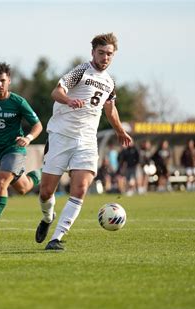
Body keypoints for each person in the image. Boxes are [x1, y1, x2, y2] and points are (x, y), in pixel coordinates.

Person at [34, 33, 132, 250]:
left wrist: (120, 131)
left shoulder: (109, 82)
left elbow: (110, 108)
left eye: (109, 54)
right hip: (61, 136)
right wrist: (69, 100)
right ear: (93, 52)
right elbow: (56, 91)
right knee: (46, 192)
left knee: (80, 188)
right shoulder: (81, 71)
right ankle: (48, 217)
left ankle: (56, 238)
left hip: (87, 140)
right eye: (101, 53)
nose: (105, 57)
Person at [0, 62, 43, 238]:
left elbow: (38, 125)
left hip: (15, 149)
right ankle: (46, 172)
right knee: (23, 188)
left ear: (9, 81)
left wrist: (28, 138)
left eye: (2, 80)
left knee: (1, 182)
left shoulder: (18, 102)